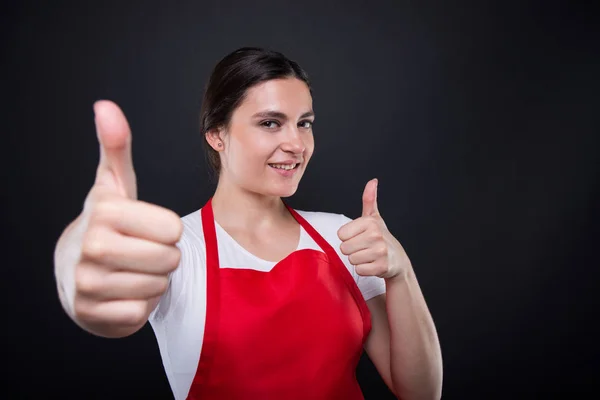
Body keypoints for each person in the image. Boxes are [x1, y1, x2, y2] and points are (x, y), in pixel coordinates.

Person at [53, 47, 443, 400]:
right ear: (217, 134)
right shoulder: (177, 248)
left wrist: (400, 271)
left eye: (304, 123)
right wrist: (74, 266)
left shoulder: (344, 237)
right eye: (271, 123)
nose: (296, 143)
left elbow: (421, 393)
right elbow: (108, 309)